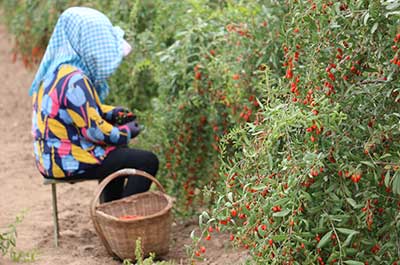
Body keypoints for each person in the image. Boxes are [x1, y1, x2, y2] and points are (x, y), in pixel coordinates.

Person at [29, 7, 159, 202]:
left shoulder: (58, 71)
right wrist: (126, 132)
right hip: (66, 160)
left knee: (118, 156)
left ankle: (111, 213)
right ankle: (125, 219)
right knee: (146, 160)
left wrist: (111, 113)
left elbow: (80, 111)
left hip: (50, 156)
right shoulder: (75, 81)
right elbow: (94, 132)